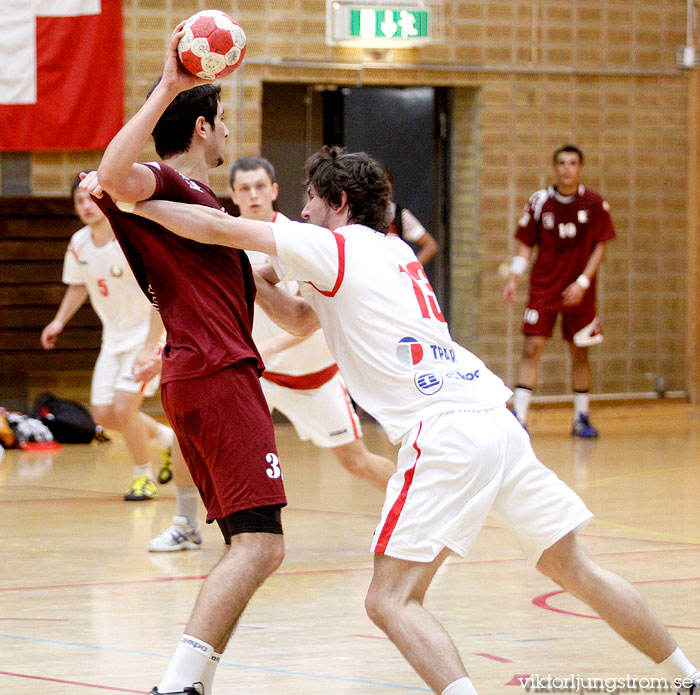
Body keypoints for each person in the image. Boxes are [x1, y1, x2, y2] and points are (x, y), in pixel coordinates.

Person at [119, 145, 699, 695]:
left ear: (339, 202)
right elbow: (299, 320)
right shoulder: (392, 250)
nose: (301, 210)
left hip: (444, 431)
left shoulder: (335, 248)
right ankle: (687, 676)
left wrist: (132, 203)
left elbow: (218, 229)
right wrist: (255, 278)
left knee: (388, 600)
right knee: (575, 568)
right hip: (493, 419)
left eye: (311, 199)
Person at [79, 25, 294, 694]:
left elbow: (260, 304)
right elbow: (109, 177)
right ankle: (177, 685)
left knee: (249, 543)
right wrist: (169, 84)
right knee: (262, 544)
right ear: (204, 126)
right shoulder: (164, 183)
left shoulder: (212, 208)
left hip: (204, 373)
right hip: (215, 374)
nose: (228, 132)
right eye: (223, 118)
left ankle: (190, 682)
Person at [230, 155, 394, 491]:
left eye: (260, 186)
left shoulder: (300, 240)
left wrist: (271, 346)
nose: (253, 195)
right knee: (218, 447)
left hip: (315, 378)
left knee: (356, 462)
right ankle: (189, 522)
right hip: (261, 378)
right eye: (244, 189)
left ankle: (413, 501)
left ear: (274, 190)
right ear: (232, 195)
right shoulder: (231, 242)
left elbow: (312, 317)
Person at [41, 176, 175, 501]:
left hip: (146, 335)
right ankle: (168, 439)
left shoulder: (128, 238)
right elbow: (78, 285)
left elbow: (160, 292)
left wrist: (149, 347)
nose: (86, 206)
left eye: (90, 199)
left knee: (124, 408)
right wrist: (58, 321)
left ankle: (143, 477)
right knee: (103, 414)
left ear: (104, 200)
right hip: (112, 339)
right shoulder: (79, 243)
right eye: (79, 201)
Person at [502, 144, 614, 438]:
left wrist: (583, 282)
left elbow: (600, 246)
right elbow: (526, 242)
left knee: (579, 352)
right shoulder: (539, 202)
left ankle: (581, 418)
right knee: (532, 347)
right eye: (561, 163)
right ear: (554, 167)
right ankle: (520, 417)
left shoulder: (594, 203)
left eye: (573, 163)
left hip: (580, 290)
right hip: (544, 287)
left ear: (581, 168)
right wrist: (515, 276)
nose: (567, 169)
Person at [386, 170, 439, 267]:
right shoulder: (356, 214)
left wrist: (411, 270)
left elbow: (430, 245)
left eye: (385, 190)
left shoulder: (398, 215)